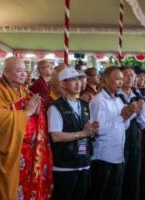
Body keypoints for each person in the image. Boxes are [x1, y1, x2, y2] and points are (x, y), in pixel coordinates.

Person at [0, 57, 52, 200]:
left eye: (25, 71)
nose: (23, 74)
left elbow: (33, 109)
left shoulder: (23, 90)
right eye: (19, 71)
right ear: (6, 72)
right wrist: (26, 113)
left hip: (28, 151)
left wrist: (36, 111)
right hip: (10, 152)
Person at [48, 67, 99, 200]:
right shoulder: (55, 107)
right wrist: (83, 133)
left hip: (84, 161)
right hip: (65, 164)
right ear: (63, 84)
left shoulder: (84, 105)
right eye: (72, 80)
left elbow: (88, 130)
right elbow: (55, 136)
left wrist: (92, 130)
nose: (78, 83)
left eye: (79, 80)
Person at [89, 66, 138, 200]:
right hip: (103, 156)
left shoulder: (117, 99)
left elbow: (124, 126)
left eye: (122, 79)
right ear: (104, 80)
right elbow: (98, 129)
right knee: (100, 194)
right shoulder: (99, 100)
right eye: (117, 79)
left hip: (117, 155)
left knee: (114, 194)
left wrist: (129, 114)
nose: (120, 82)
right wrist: (122, 116)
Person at [118, 67, 145, 200]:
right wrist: (132, 112)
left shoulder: (139, 97)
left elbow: (143, 124)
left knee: (132, 176)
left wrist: (140, 114)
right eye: (126, 75)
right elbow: (117, 122)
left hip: (134, 141)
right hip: (118, 143)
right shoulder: (115, 96)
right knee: (118, 177)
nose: (129, 78)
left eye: (132, 75)